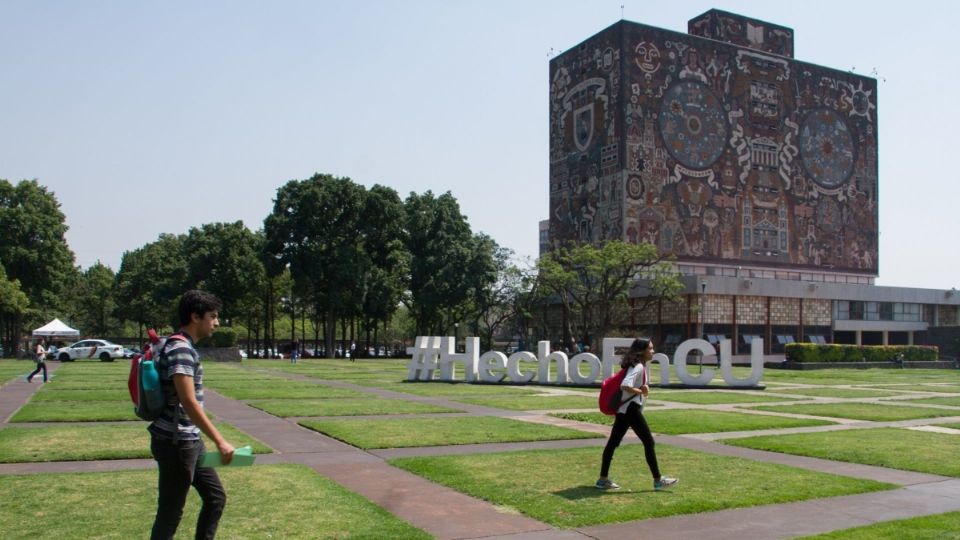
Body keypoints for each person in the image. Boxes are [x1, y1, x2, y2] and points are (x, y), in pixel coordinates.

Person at [149, 290, 234, 540]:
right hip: (176, 443)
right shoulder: (181, 349)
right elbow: (188, 401)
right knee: (170, 513)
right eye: (213, 316)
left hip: (189, 440)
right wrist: (220, 440)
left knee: (215, 497)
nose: (216, 323)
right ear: (195, 317)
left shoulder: (180, 345)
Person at [596, 337, 678, 491]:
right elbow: (625, 385)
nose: (653, 351)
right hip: (631, 410)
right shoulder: (638, 367)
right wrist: (642, 390)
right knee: (649, 442)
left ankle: (602, 479)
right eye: (650, 349)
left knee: (613, 443)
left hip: (623, 411)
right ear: (642, 351)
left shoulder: (636, 366)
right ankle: (658, 480)